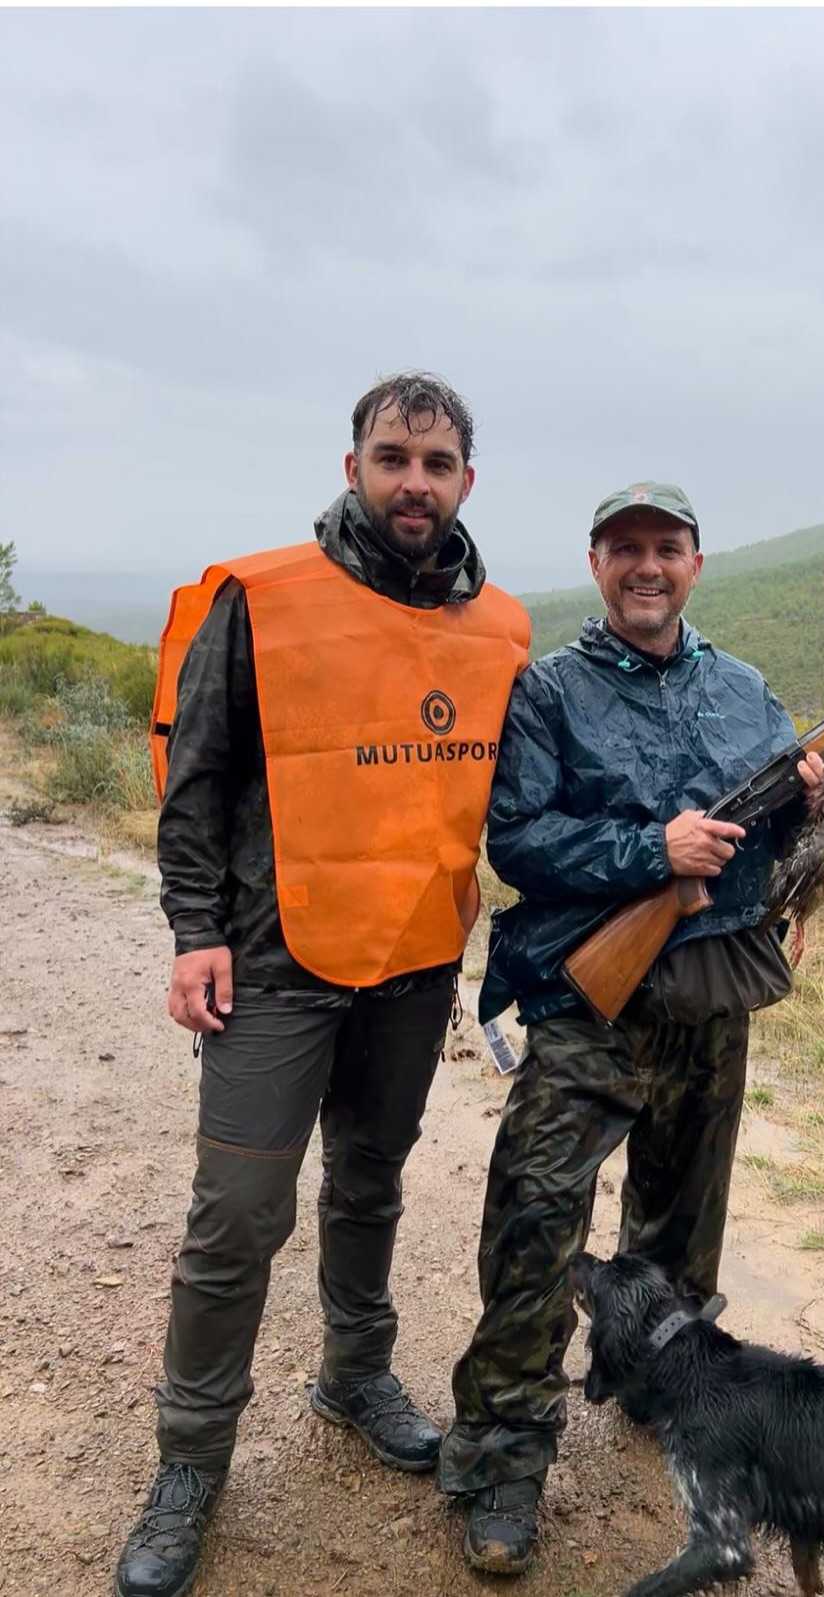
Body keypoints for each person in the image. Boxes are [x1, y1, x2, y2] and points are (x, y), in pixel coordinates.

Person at [115, 373, 530, 1597]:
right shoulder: (262, 598)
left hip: (414, 961)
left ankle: (354, 1375)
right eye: (393, 456)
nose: (414, 480)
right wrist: (196, 928)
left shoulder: (501, 627)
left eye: (437, 463)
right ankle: (191, 1460)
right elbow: (197, 777)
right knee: (236, 1217)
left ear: (466, 481)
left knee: (370, 1181)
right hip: (272, 955)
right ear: (353, 467)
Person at [437, 481, 824, 1573]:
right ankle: (503, 1456)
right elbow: (517, 841)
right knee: (538, 1225)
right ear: (597, 564)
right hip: (589, 1005)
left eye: (666, 548)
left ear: (695, 563)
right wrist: (651, 851)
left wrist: (820, 801)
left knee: (680, 1236)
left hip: (712, 997)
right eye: (625, 547)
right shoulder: (550, 691)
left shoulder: (744, 690)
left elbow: (771, 842)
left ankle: (666, 1397)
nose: (647, 566)